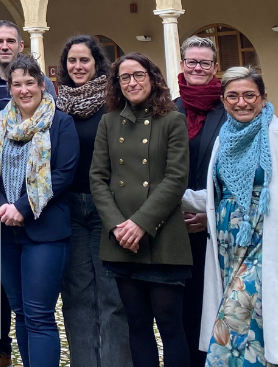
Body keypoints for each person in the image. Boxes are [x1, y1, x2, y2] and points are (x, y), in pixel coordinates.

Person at [183, 67, 278, 367]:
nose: (241, 102)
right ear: (223, 100)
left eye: (249, 95)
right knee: (253, 326)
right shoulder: (223, 141)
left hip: (266, 246)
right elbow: (220, 196)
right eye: (233, 96)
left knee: (232, 320)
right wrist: (172, 196)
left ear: (263, 97)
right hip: (226, 249)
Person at [89, 53, 191, 367]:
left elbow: (176, 178)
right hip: (122, 240)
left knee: (171, 326)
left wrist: (141, 224)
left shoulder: (173, 120)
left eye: (138, 75)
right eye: (124, 77)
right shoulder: (109, 122)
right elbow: (98, 178)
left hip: (163, 238)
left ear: (152, 78)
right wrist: (118, 226)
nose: (132, 82)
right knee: (137, 324)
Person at [0, 54, 78, 367]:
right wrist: (0, 207)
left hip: (44, 230)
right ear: (10, 87)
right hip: (4, 232)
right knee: (20, 312)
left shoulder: (60, 122)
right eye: (17, 84)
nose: (24, 90)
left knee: (38, 314)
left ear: (42, 85)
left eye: (30, 83)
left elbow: (63, 174)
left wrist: (22, 207)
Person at [0, 21, 55, 367]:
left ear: (21, 44)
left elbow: (53, 152)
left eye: (11, 40)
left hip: (34, 208)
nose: (5, 45)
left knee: (32, 306)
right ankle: (0, 348)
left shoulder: (46, 91)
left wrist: (24, 203)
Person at [54, 36, 131, 367]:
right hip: (69, 209)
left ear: (97, 63)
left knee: (112, 296)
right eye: (71, 60)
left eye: (84, 60)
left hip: (106, 208)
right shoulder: (57, 106)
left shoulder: (114, 102)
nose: (77, 66)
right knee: (76, 295)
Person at [174, 35, 225, 367]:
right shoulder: (168, 109)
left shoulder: (229, 110)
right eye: (191, 61)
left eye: (205, 63)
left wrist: (211, 213)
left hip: (214, 228)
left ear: (215, 67)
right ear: (182, 64)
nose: (197, 68)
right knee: (180, 312)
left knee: (215, 308)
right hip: (173, 226)